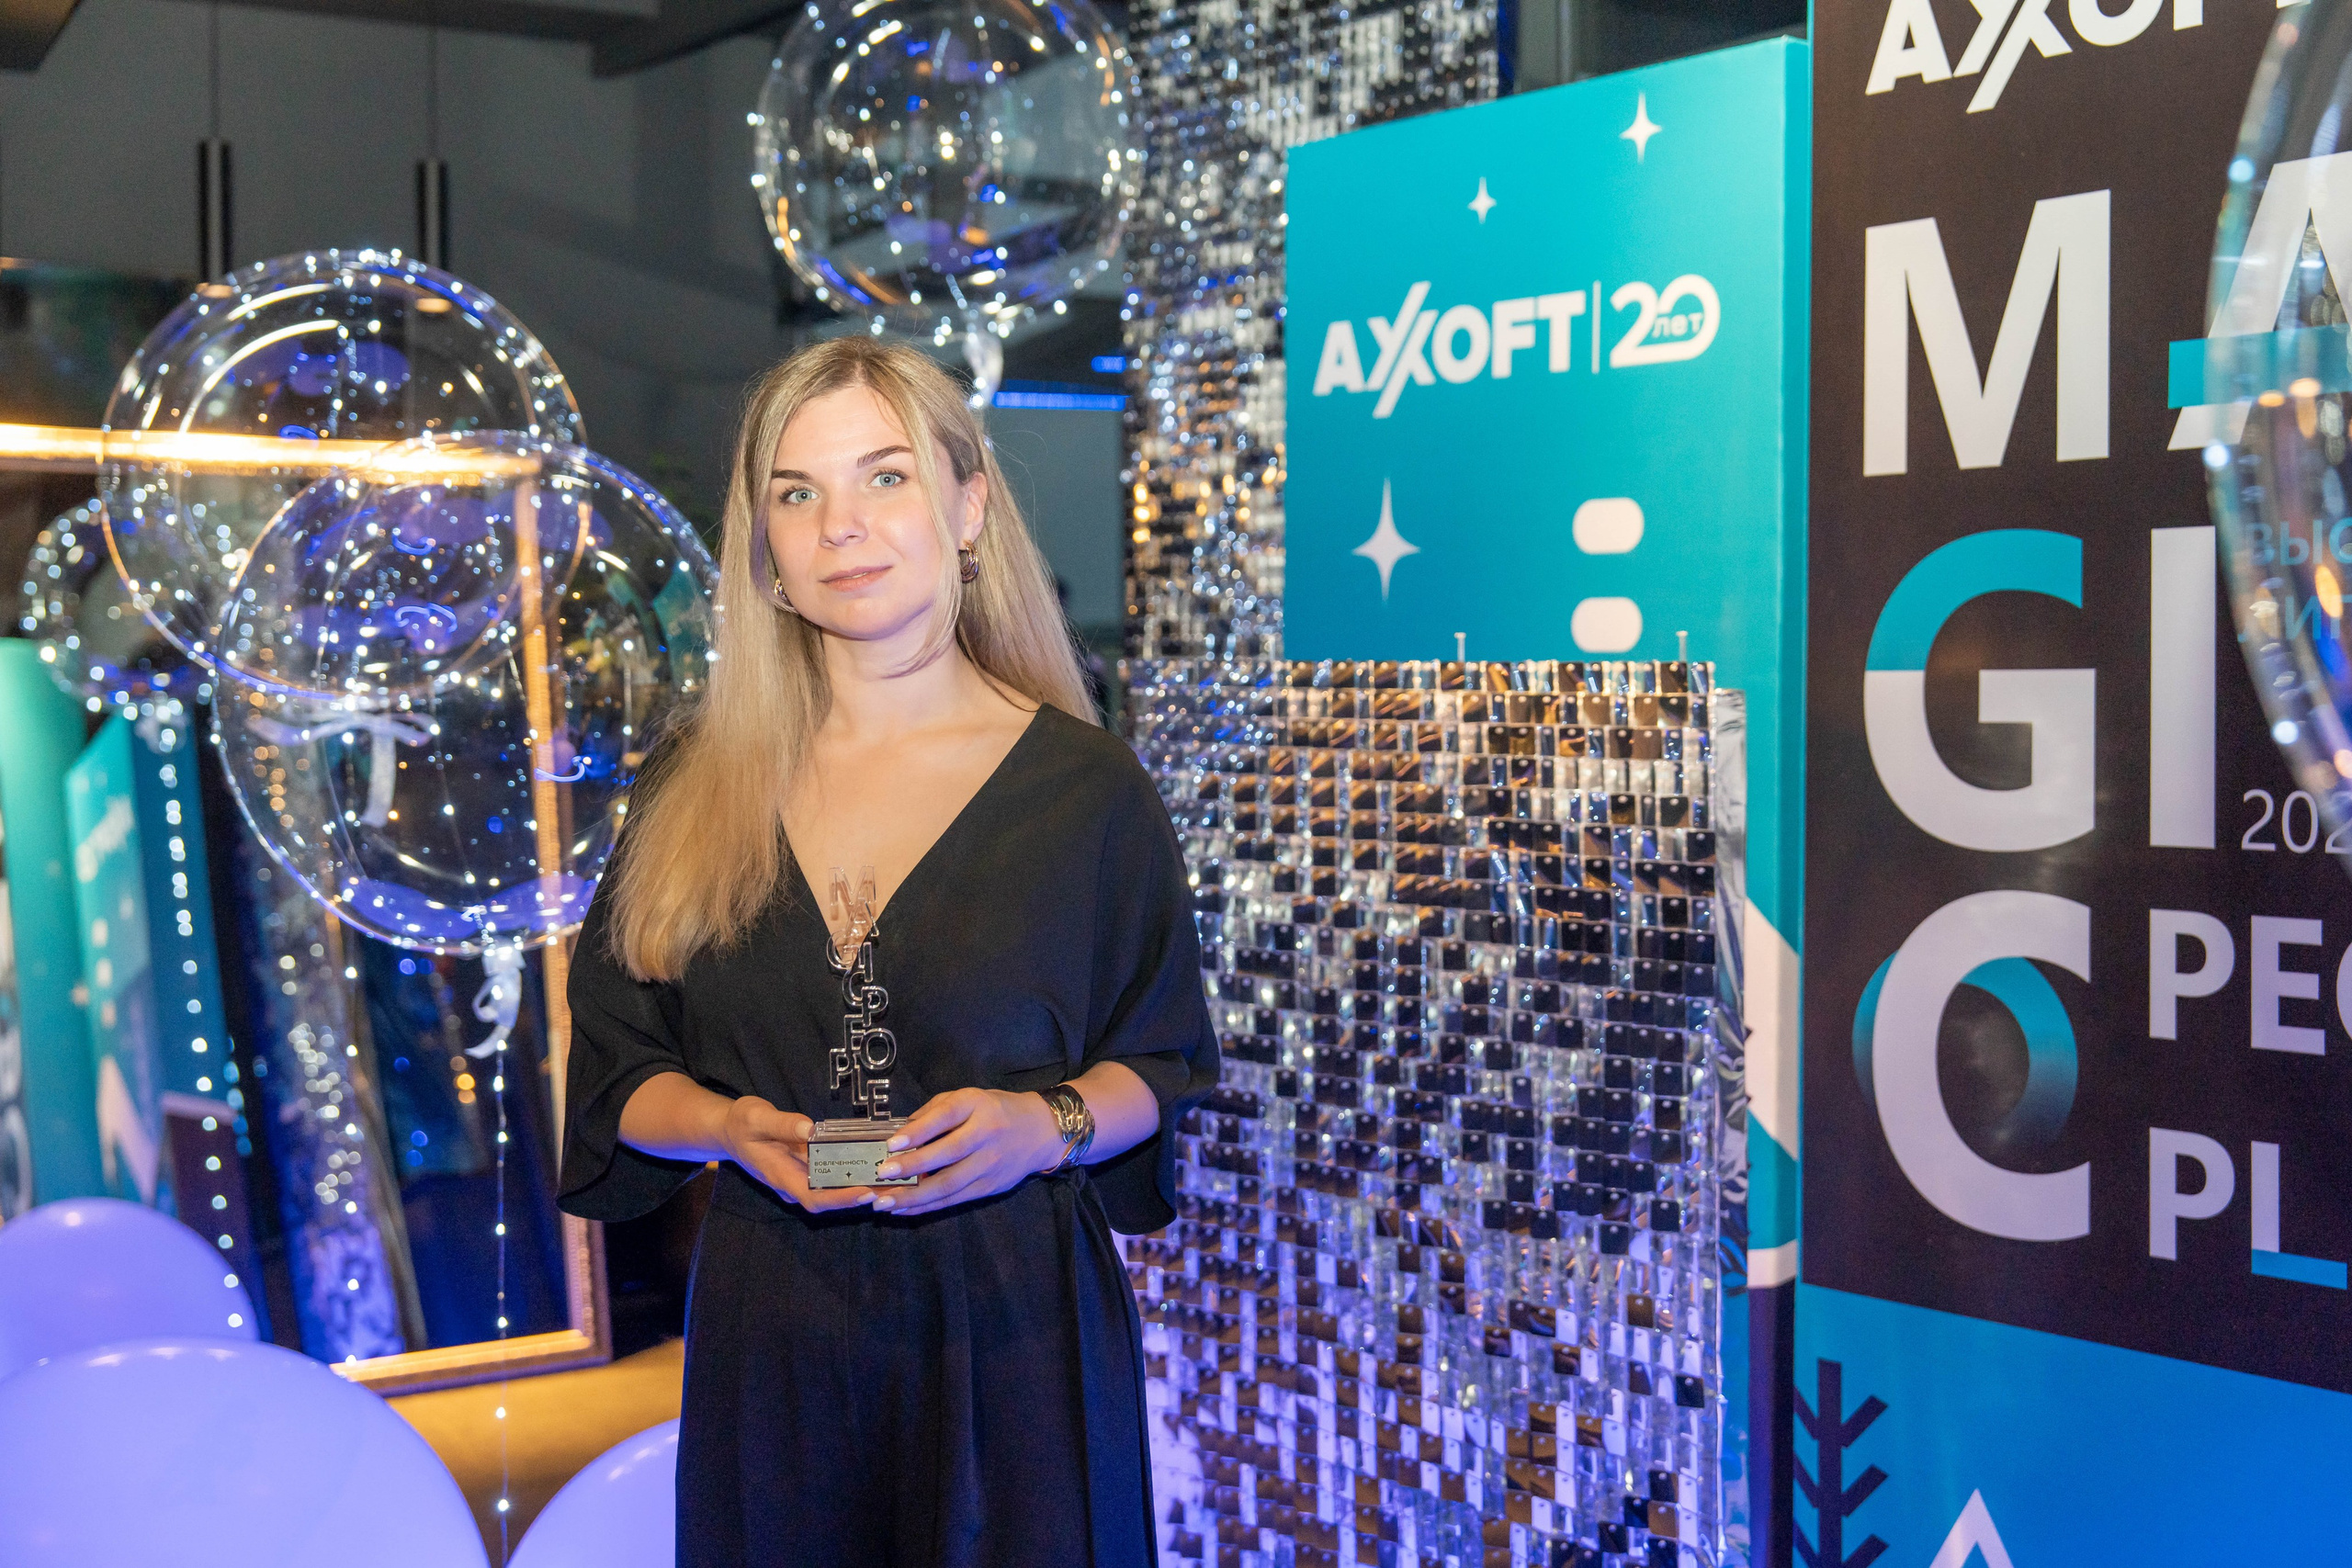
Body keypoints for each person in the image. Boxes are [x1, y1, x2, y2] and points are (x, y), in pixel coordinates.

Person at [557, 336, 1218, 1568]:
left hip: (1017, 1339)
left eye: (885, 476)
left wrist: (1045, 1125)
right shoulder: (695, 784)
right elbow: (617, 1074)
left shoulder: (1086, 791)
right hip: (773, 1334)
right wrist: (729, 1127)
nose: (840, 526)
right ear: (763, 546)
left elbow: (1164, 1061)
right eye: (796, 493)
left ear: (968, 507)